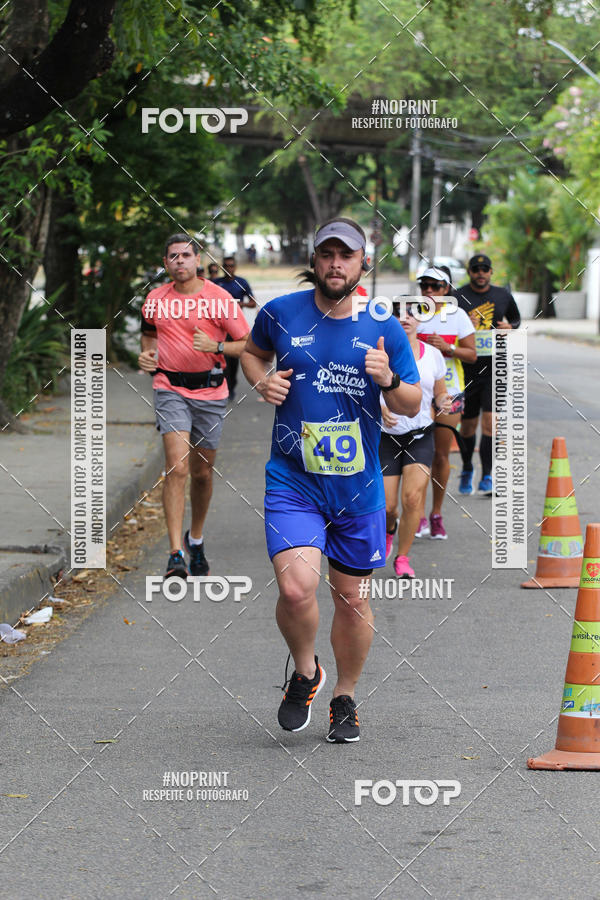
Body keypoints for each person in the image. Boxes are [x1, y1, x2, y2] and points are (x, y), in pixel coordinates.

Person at [240, 217, 421, 743]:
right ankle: (305, 670)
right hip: (293, 479)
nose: (336, 264)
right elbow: (252, 354)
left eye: (347, 255)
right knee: (297, 589)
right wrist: (262, 380)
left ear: (364, 263)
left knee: (352, 598)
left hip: (358, 486)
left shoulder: (382, 322)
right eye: (327, 254)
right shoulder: (280, 312)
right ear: (314, 261)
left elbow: (411, 399)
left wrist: (388, 380)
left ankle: (344, 695)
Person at [138, 234, 250, 580]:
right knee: (178, 468)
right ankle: (174, 554)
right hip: (169, 388)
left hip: (211, 392)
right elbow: (149, 336)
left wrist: (216, 344)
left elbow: (247, 344)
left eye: (186, 255)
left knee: (202, 473)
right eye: (173, 256)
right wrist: (146, 356)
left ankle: (195, 539)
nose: (180, 261)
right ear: (165, 263)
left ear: (198, 259)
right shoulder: (155, 299)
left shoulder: (220, 298)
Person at [380, 302, 451, 578]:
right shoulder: (380, 353)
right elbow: (364, 393)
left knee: (411, 498)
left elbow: (440, 394)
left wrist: (446, 402)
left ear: (420, 320)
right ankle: (388, 530)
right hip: (386, 438)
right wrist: (381, 409)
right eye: (398, 314)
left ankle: (402, 557)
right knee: (388, 507)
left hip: (420, 436)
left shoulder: (433, 355)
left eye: (411, 313)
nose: (405, 318)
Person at [414, 267, 476, 539]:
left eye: (435, 286)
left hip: (449, 391)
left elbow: (472, 355)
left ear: (447, 289)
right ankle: (415, 515)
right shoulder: (413, 314)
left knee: (440, 455)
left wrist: (448, 348)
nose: (429, 291)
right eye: (424, 285)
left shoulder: (458, 316)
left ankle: (436, 514)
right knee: (417, 457)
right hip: (418, 391)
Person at [456, 254, 521, 495]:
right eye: (476, 269)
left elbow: (515, 319)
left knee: (490, 423)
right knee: (467, 427)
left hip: (495, 367)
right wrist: (464, 325)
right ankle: (466, 468)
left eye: (485, 269)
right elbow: (448, 328)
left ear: (491, 272)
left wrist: (510, 327)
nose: (480, 273)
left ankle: (487, 476)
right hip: (467, 369)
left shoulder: (502, 295)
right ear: (470, 272)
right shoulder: (457, 297)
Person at [215, 256, 257, 401]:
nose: (229, 269)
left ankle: (231, 386)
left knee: (233, 359)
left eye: (231, 266)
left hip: (236, 328)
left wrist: (239, 305)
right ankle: (222, 386)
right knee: (220, 355)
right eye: (226, 266)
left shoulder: (241, 283)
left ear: (235, 267)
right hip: (219, 327)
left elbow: (253, 302)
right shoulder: (216, 283)